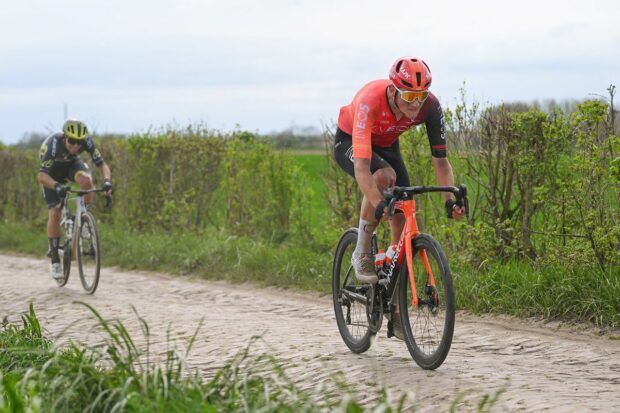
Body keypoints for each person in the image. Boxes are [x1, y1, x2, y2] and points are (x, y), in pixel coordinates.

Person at [334, 56, 465, 284]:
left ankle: (394, 286)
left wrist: (449, 201)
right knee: (384, 176)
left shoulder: (430, 107)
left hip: (387, 145)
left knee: (405, 204)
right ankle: (362, 251)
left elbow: (441, 162)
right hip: (349, 141)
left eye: (421, 96)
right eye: (409, 96)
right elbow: (362, 167)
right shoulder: (370, 101)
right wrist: (379, 203)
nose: (415, 103)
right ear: (393, 90)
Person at [37, 119, 113, 279]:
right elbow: (42, 176)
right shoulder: (53, 146)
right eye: (72, 141)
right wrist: (57, 186)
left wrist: (107, 181)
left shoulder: (87, 141)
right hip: (51, 175)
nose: (75, 146)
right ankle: (55, 260)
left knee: (87, 180)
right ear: (65, 137)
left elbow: (102, 165)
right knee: (55, 212)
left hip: (72, 165)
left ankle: (85, 218)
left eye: (79, 143)